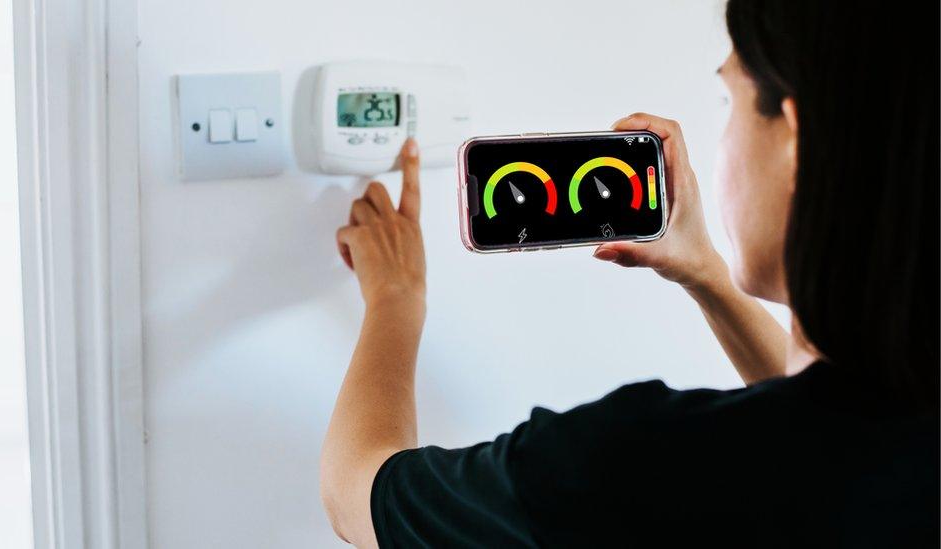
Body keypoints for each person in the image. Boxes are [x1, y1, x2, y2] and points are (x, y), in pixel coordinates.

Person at [320, 0, 940, 546]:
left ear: (794, 144)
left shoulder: (638, 466)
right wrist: (709, 279)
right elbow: (825, 430)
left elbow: (356, 496)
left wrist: (395, 300)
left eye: (730, 101)